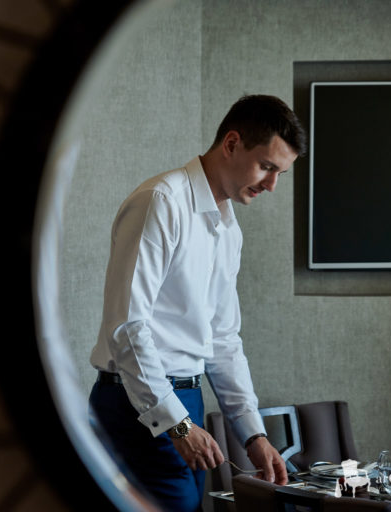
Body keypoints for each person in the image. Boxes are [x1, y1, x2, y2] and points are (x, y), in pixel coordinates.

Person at [88, 94, 307, 511]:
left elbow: (223, 339)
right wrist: (177, 425)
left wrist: (253, 434)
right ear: (232, 143)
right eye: (266, 167)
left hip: (187, 400)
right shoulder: (160, 202)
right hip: (135, 405)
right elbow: (128, 327)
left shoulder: (229, 230)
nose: (272, 185)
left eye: (280, 173)